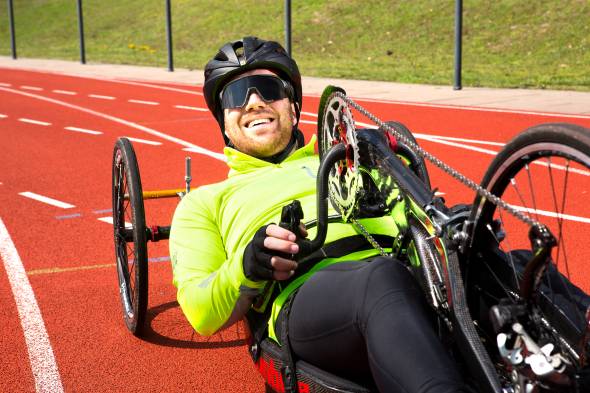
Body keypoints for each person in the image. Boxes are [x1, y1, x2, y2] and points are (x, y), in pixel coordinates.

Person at [169, 36, 467, 393]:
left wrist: (433, 218)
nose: (253, 102)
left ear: (293, 109)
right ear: (225, 125)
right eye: (236, 96)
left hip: (407, 275)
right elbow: (201, 312)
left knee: (511, 263)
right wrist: (247, 266)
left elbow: (414, 226)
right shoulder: (204, 202)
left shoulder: (351, 162)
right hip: (311, 297)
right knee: (380, 279)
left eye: (267, 88)